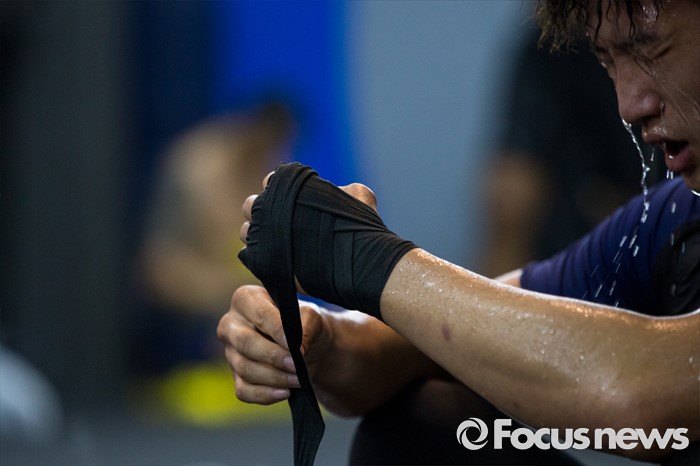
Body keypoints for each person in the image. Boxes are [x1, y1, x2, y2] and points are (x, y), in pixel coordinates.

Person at [217, 1, 699, 464]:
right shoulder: (672, 217)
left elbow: (642, 393)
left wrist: (369, 260)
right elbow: (425, 345)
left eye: (650, 51)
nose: (628, 105)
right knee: (422, 426)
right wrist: (319, 339)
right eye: (608, 62)